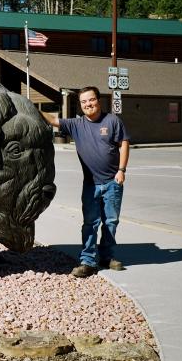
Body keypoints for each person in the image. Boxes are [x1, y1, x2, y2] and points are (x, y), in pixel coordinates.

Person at [44, 86, 130, 278]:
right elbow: (51, 120)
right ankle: (88, 261)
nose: (88, 104)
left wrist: (121, 170)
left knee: (111, 222)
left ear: (98, 100)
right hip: (91, 184)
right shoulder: (76, 124)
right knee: (90, 223)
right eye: (83, 102)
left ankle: (107, 257)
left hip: (112, 182)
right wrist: (27, 105)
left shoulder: (112, 120)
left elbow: (123, 142)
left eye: (91, 100)